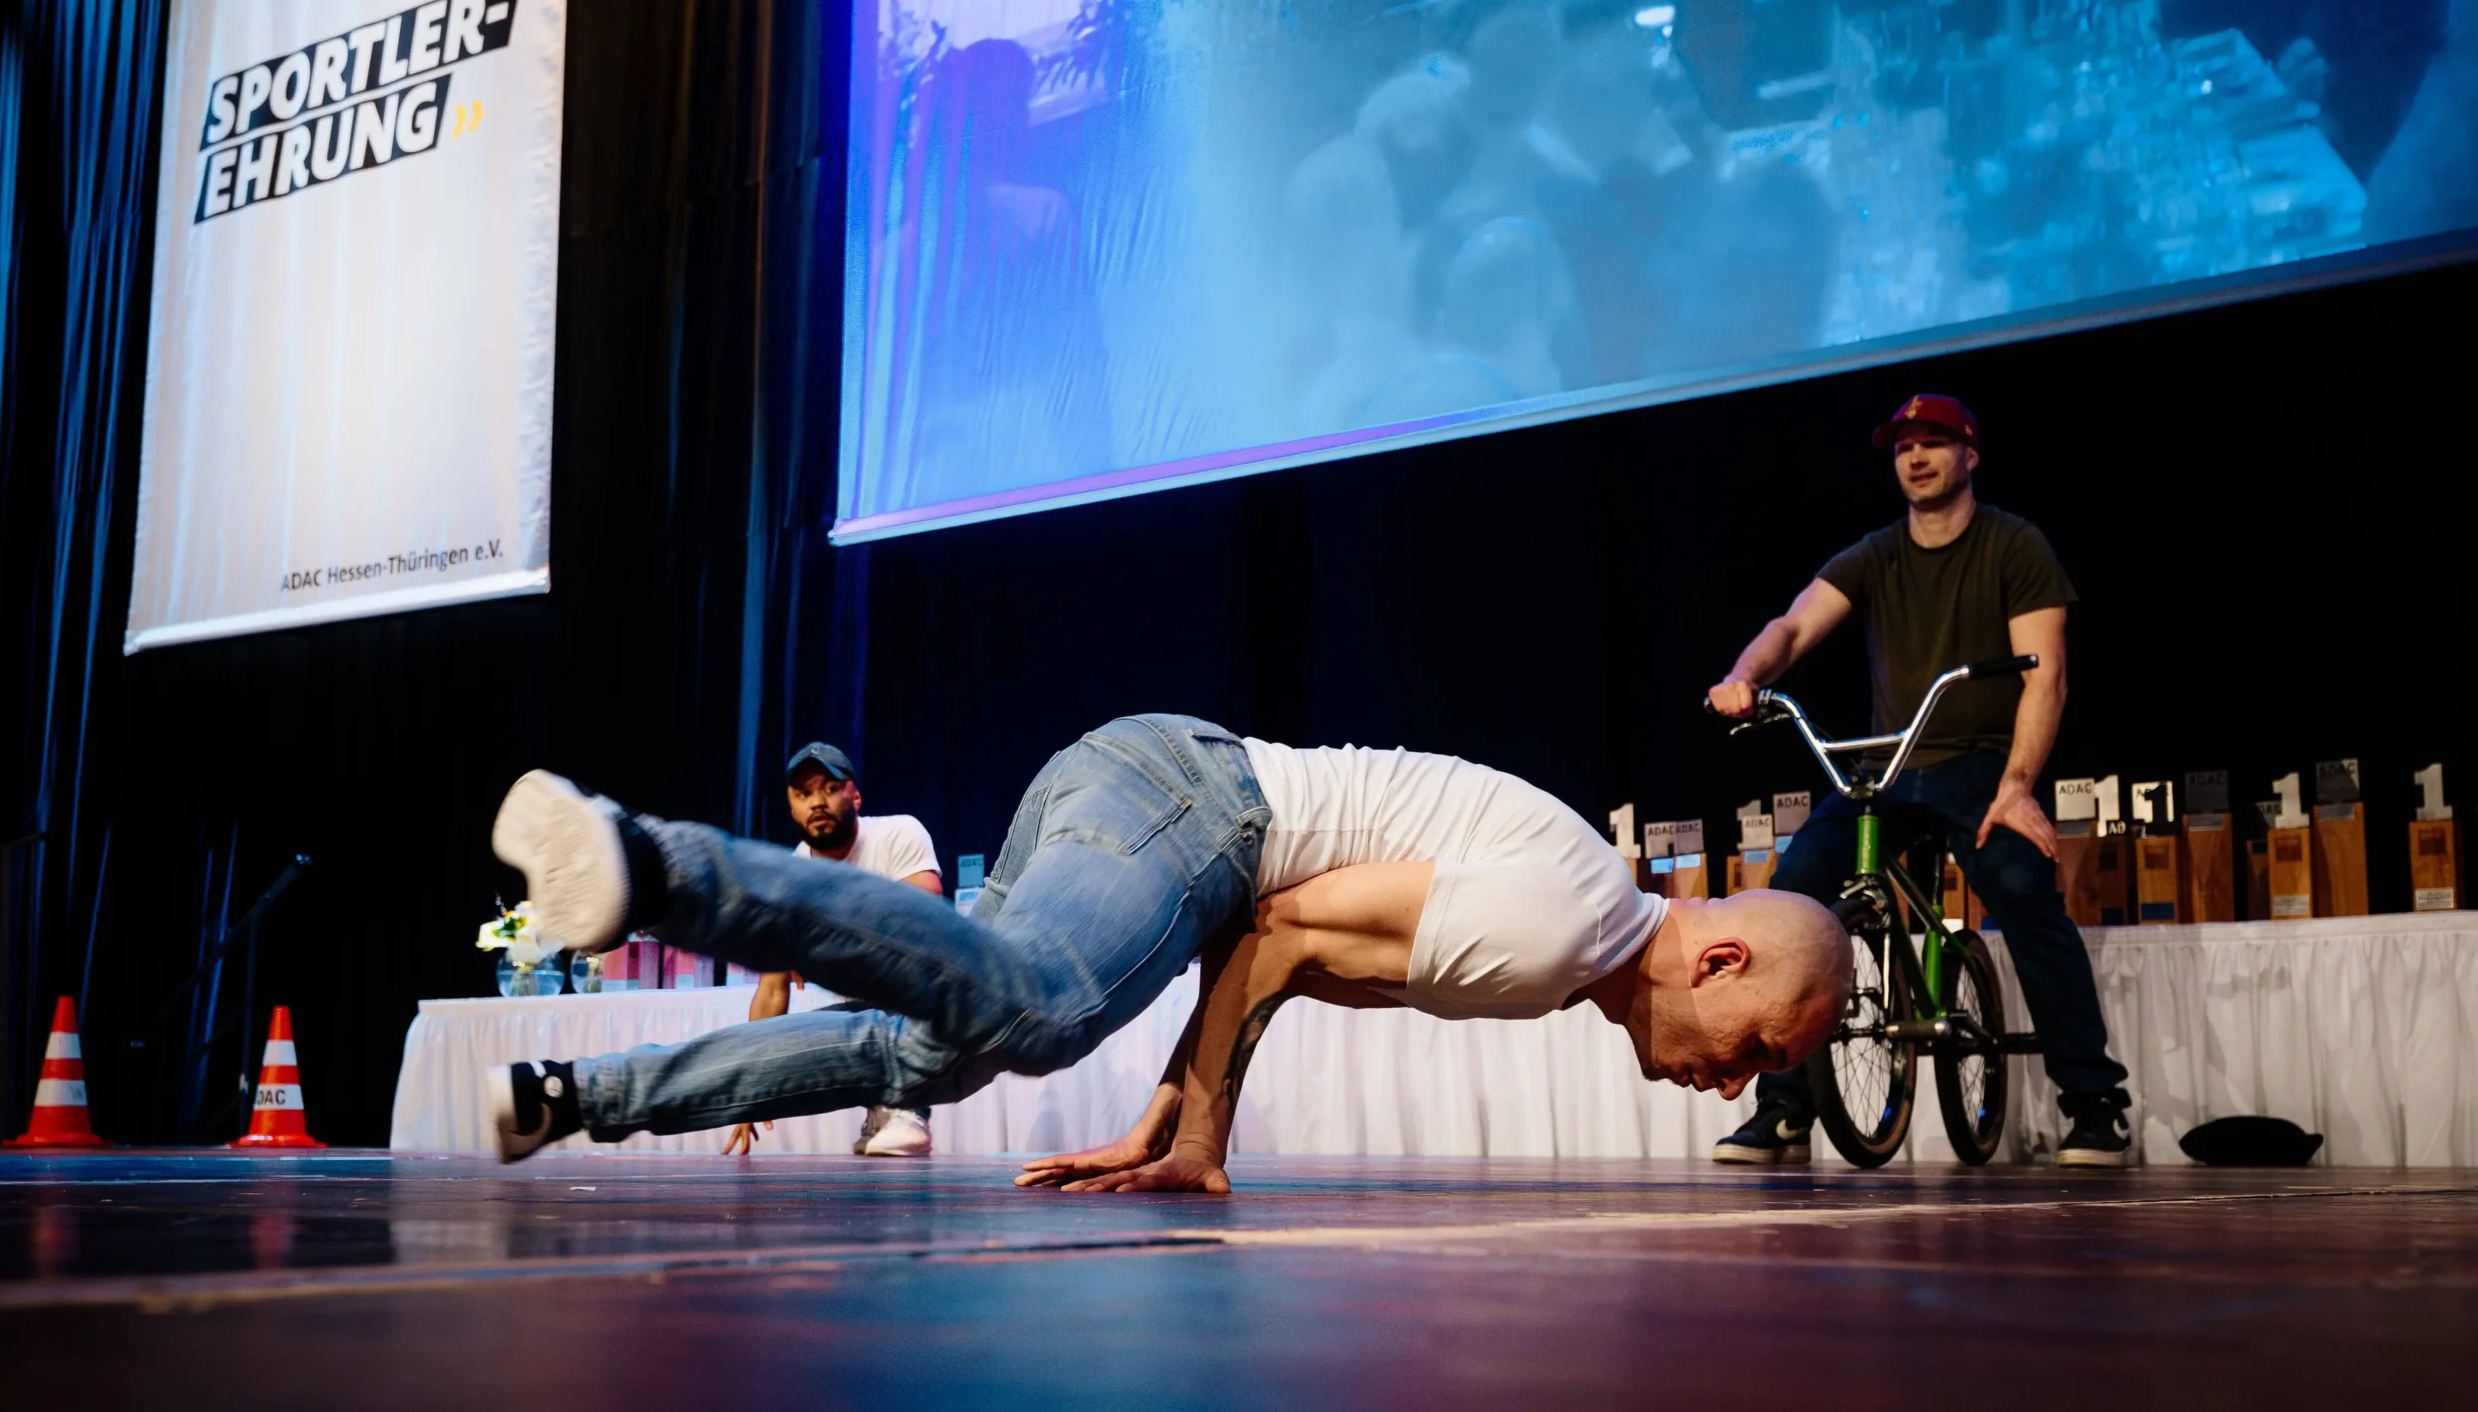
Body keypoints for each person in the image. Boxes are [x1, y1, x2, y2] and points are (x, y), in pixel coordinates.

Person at [482, 715, 1852, 1189]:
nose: (1733, 1084)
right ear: (1720, 963)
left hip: (1153, 795)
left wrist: (1177, 1112)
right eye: (1757, 1054)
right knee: (1041, 1006)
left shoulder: (1577, 922)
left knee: (929, 1054)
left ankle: (576, 1094)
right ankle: (657, 862)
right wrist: (1202, 1126)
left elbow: (1297, 959)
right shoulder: (1567, 930)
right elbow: (1283, 922)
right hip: (1192, 809)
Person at [1705, 394, 2133, 1168]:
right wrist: (1744, 675)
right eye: (1904, 446)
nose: (1916, 456)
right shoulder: (1875, 555)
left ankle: (2094, 1101)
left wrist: (2017, 785)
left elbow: (2049, 676)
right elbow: (1793, 627)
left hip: (1980, 769)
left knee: (2025, 891)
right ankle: (1787, 1110)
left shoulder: (2014, 545)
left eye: (1935, 442)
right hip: (1890, 769)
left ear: (1971, 455)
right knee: (1793, 892)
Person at [722, 742, 943, 1158]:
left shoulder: (898, 832)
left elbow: (925, 908)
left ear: (855, 795)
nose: (817, 802)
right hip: (864, 1013)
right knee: (822, 1026)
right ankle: (882, 1102)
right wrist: (749, 1086)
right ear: (790, 807)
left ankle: (908, 1106)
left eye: (829, 787)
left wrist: (823, 936)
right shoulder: (792, 879)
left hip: (935, 1001)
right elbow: (772, 990)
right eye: (803, 794)